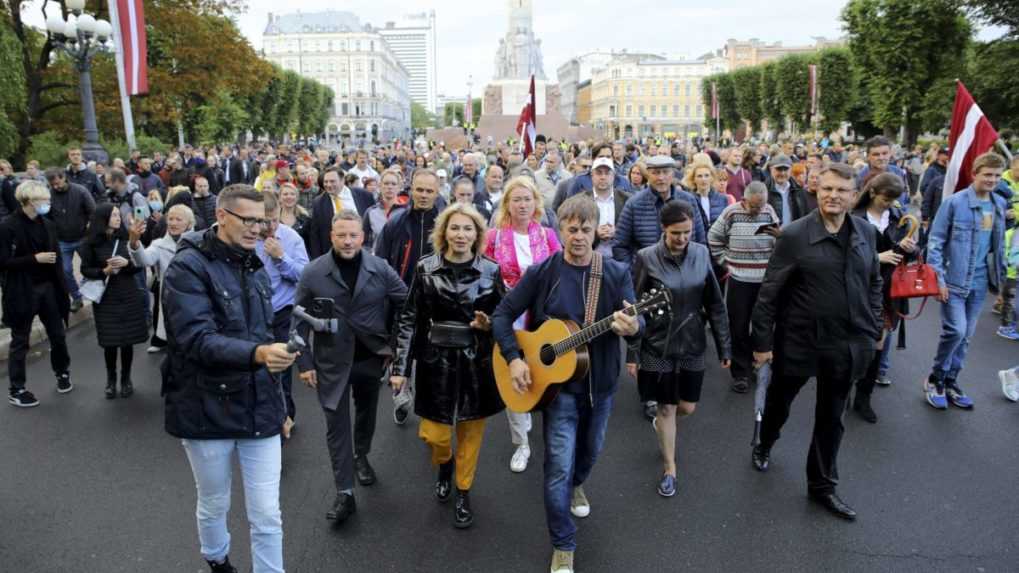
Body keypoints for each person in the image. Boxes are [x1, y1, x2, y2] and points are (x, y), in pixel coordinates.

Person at [491, 195, 642, 573]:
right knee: (557, 467)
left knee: (589, 453)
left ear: (596, 232)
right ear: (559, 230)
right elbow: (503, 314)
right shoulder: (543, 271)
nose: (578, 236)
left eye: (585, 229)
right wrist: (513, 358)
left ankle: (579, 482)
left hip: (601, 386)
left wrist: (636, 326)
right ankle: (563, 543)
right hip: (558, 393)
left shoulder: (615, 273)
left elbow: (641, 324)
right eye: (571, 229)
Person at [162, 184, 296, 573]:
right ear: (222, 216)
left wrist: (282, 407)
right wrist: (257, 355)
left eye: (262, 221)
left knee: (267, 514)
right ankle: (217, 558)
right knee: (215, 501)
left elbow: (264, 335)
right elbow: (195, 340)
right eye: (248, 220)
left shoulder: (253, 263)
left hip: (260, 407)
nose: (257, 229)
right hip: (206, 406)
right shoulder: (187, 267)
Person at [750, 163, 883, 521]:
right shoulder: (794, 235)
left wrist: (873, 325)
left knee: (831, 417)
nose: (833, 196)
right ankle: (765, 441)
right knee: (780, 402)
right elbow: (769, 294)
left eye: (841, 190)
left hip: (846, 344)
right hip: (799, 341)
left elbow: (873, 281)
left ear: (855, 196)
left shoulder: (866, 233)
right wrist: (762, 345)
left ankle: (822, 486)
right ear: (816, 191)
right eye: (826, 189)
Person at [390, 203, 506, 529]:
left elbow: (506, 316)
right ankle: (444, 464)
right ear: (443, 232)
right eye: (454, 228)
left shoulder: (491, 270)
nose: (460, 234)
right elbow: (409, 319)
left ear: (477, 234)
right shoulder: (425, 268)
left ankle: (464, 490)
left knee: (471, 432)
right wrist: (399, 367)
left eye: (467, 228)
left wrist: (490, 325)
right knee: (435, 434)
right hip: (434, 361)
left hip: (476, 361)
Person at [295, 209, 408, 525]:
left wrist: (396, 346)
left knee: (366, 412)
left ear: (363, 237)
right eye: (341, 235)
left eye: (353, 235)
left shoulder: (380, 268)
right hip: (331, 361)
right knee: (336, 425)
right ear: (331, 236)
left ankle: (361, 455)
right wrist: (304, 362)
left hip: (370, 357)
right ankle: (344, 492)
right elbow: (298, 319)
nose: (347, 241)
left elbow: (406, 303)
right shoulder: (314, 272)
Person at [627, 200, 730, 496]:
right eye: (676, 233)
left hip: (694, 343)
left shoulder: (700, 253)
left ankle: (662, 426)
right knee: (667, 406)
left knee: (687, 406)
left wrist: (725, 347)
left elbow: (715, 303)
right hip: (657, 346)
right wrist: (632, 353)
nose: (683, 238)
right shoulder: (646, 258)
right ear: (663, 229)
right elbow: (632, 309)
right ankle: (670, 468)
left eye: (687, 232)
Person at [483, 176, 562, 474]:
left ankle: (536, 412)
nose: (522, 204)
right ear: (507, 204)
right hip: (508, 314)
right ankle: (522, 443)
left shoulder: (548, 235)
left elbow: (559, 272)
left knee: (539, 369)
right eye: (516, 199)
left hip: (541, 317)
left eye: (527, 198)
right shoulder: (493, 237)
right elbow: (485, 277)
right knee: (512, 372)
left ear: (536, 203)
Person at [924, 153, 1008, 410]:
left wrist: (1002, 285)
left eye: (996, 175)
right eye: (987, 175)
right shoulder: (954, 203)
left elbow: (997, 249)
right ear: (975, 174)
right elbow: (935, 243)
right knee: (956, 331)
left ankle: (951, 381)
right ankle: (935, 378)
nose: (992, 180)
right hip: (954, 280)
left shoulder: (998, 205)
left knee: (967, 336)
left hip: (981, 282)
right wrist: (938, 279)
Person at [850, 174, 918, 422]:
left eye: (893, 199)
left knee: (878, 345)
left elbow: (910, 254)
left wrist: (911, 249)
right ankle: (844, 387)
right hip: (856, 289)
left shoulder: (899, 217)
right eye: (886, 198)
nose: (889, 203)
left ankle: (863, 397)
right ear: (872, 192)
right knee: (853, 342)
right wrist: (877, 258)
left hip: (888, 292)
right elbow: (842, 257)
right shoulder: (854, 218)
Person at [1, 181, 72, 407]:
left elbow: (57, 259)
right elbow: (3, 262)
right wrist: (34, 259)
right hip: (22, 290)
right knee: (20, 340)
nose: (48, 204)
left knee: (57, 334)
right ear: (30, 202)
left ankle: (62, 372)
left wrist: (64, 289)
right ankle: (17, 388)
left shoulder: (48, 224)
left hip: (48, 287)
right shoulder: (8, 226)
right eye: (44, 201)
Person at [707, 181, 780, 393]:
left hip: (764, 280)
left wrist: (778, 241)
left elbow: (779, 242)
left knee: (762, 326)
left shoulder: (769, 212)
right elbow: (713, 238)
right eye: (755, 206)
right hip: (739, 279)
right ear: (744, 200)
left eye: (762, 205)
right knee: (738, 326)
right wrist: (725, 262)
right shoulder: (731, 213)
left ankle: (759, 364)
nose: (759, 210)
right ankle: (740, 372)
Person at [79, 203, 149, 399]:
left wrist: (127, 263)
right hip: (106, 297)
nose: (118, 218)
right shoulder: (90, 243)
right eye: (114, 215)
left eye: (119, 215)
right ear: (103, 218)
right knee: (110, 341)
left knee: (127, 341)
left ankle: (126, 379)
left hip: (127, 293)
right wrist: (104, 272)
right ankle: (111, 379)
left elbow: (139, 265)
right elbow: (85, 269)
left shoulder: (127, 238)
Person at [256, 190, 309, 437]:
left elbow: (304, 276)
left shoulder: (291, 238)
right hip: (254, 312)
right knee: (257, 365)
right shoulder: (245, 238)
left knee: (282, 365)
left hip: (283, 311)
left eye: (274, 220)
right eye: (263, 221)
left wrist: (281, 257)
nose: (269, 226)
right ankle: (262, 414)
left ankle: (286, 414)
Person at [614, 155, 707, 266]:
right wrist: (634, 273)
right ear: (648, 175)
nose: (661, 178)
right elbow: (620, 245)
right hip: (647, 274)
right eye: (656, 173)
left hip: (684, 272)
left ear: (673, 174)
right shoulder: (634, 204)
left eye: (665, 172)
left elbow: (700, 241)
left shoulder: (689, 200)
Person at [128, 204, 195, 353]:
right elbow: (143, 261)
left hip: (195, 298)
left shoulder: (199, 242)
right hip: (170, 299)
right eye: (170, 218)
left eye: (179, 219)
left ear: (189, 223)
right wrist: (134, 242)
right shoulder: (159, 245)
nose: (173, 223)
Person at [45, 167, 95, 313]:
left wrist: (89, 230)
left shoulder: (80, 191)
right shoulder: (49, 195)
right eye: (52, 185)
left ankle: (98, 292)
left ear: (64, 177)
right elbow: (46, 219)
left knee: (90, 267)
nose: (56, 186)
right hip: (62, 241)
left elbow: (93, 212)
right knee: (65, 270)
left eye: (58, 183)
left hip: (82, 237)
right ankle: (77, 297)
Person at [308, 168, 375, 259]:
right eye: (326, 182)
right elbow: (315, 234)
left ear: (342, 180)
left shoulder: (364, 195)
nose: (328, 185)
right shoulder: (318, 202)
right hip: (333, 255)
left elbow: (373, 224)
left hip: (362, 252)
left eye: (332, 181)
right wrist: (317, 259)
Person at [362, 170, 404, 250]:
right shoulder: (370, 212)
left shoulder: (406, 212)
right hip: (377, 260)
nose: (390, 187)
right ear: (380, 186)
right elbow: (364, 242)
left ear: (399, 188)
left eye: (393, 184)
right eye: (386, 183)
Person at [764, 154, 809, 227]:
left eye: (786, 169)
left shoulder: (799, 191)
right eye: (779, 169)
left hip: (794, 234)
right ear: (771, 169)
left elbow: (805, 215)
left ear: (791, 170)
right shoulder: (764, 190)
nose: (782, 173)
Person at [683, 161, 731, 228]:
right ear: (694, 179)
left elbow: (726, 224)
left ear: (711, 178)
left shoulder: (722, 199)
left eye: (707, 175)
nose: (703, 179)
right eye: (699, 176)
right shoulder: (689, 199)